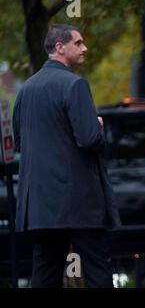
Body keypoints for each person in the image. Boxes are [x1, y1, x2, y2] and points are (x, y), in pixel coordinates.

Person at [13, 24, 121, 287]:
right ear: (60, 47)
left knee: (46, 273)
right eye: (78, 43)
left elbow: (19, 143)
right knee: (97, 269)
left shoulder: (26, 90)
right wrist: (99, 126)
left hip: (40, 205)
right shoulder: (75, 85)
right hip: (79, 202)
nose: (84, 48)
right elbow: (89, 139)